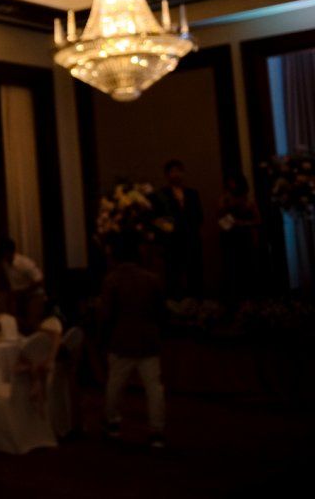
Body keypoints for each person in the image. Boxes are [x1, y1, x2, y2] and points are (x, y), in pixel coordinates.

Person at [99, 231, 166, 448]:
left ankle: (113, 424)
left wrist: (104, 339)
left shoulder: (112, 280)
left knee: (115, 385)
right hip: (148, 340)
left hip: (121, 340)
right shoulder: (152, 279)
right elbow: (161, 312)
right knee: (154, 388)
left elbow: (106, 315)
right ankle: (157, 430)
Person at [155, 159, 204, 299]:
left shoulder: (192, 193)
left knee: (194, 274)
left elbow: (199, 216)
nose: (176, 174)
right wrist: (171, 230)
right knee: (173, 276)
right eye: (173, 171)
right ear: (167, 175)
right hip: (172, 242)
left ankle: (195, 302)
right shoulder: (161, 194)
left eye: (179, 171)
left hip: (192, 239)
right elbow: (158, 218)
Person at [217, 172, 261, 302]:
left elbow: (258, 220)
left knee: (248, 267)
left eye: (233, 181)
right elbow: (220, 219)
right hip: (230, 238)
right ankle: (235, 299)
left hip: (246, 237)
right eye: (229, 182)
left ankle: (251, 298)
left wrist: (242, 223)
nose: (231, 184)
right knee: (233, 269)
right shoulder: (225, 199)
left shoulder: (248, 200)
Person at [0, 237, 45, 332]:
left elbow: (39, 280)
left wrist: (25, 291)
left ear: (11, 251)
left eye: (6, 252)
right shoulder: (5, 264)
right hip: (19, 297)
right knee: (19, 324)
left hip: (34, 295)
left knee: (33, 323)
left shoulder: (25, 263)